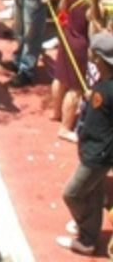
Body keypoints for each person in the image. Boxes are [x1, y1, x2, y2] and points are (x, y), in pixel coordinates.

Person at [59, 32, 113, 255]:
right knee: (93, 192)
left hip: (98, 154)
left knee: (72, 193)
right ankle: (89, 230)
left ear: (100, 59)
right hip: (93, 148)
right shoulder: (104, 84)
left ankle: (87, 234)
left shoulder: (109, 89)